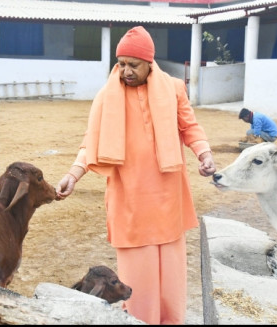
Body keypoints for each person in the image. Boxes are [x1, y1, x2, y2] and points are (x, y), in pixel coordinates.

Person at [55, 26, 216, 325]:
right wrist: (74, 174)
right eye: (121, 64)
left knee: (170, 275)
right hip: (129, 199)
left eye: (134, 65)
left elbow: (190, 127)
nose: (126, 71)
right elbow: (92, 139)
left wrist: (204, 154)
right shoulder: (107, 95)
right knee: (137, 276)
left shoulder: (174, 88)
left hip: (169, 196)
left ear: (150, 63)